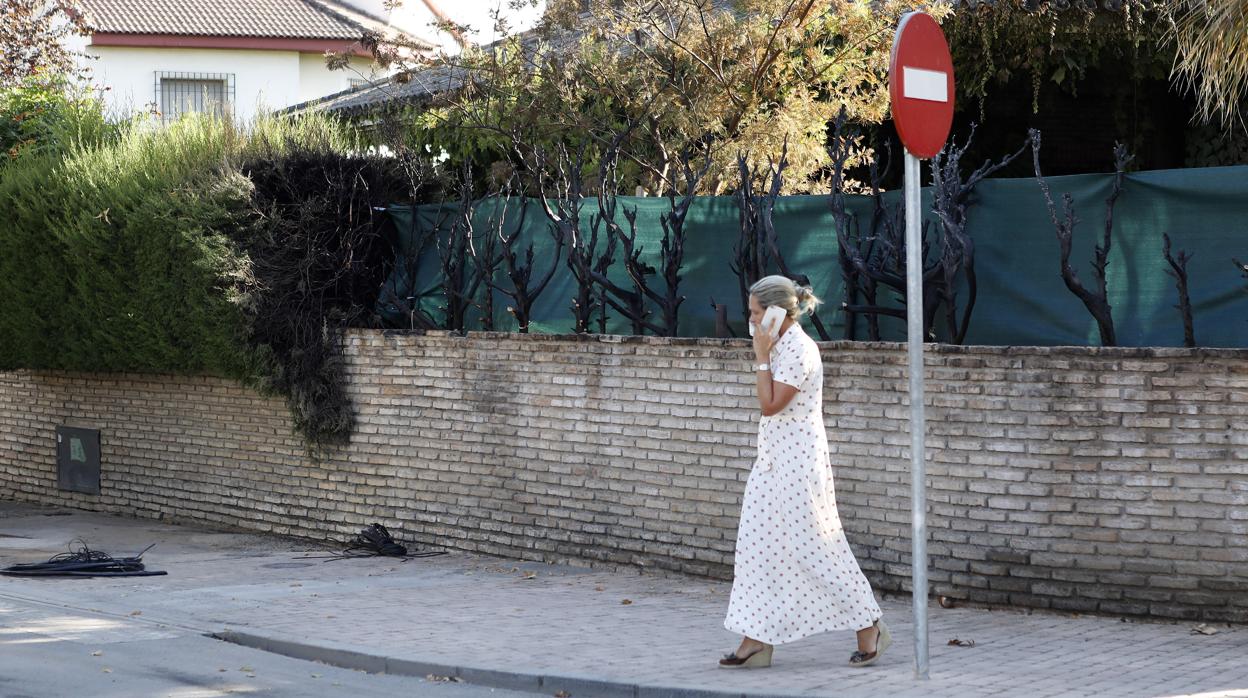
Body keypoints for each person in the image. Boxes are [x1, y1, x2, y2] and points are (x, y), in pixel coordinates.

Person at [719, 275, 890, 669]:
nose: (752, 321)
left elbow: (770, 404)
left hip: (799, 463)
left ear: (779, 312)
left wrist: (761, 356)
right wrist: (765, 351)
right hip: (772, 461)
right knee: (758, 547)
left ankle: (869, 625)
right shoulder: (779, 345)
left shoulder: (799, 350)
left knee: (817, 547)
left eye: (757, 313)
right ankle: (755, 639)